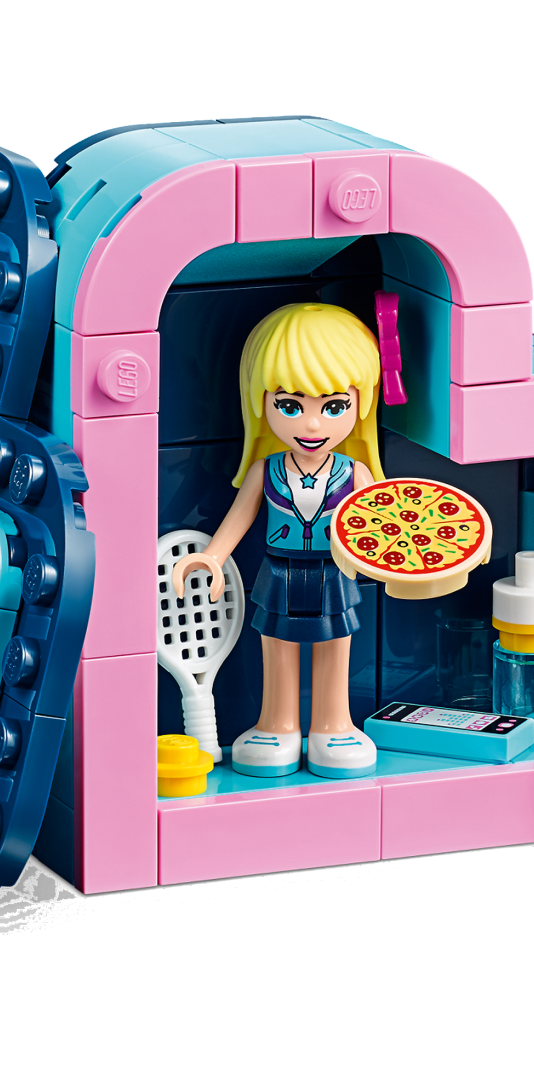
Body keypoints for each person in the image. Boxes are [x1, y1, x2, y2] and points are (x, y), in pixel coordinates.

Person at [171, 301, 382, 778]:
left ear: (362, 404)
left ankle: (334, 724)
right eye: (290, 406)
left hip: (334, 572)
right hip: (279, 572)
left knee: (336, 645)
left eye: (334, 407)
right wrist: (211, 557)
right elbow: (238, 519)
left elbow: (377, 526)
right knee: (277, 647)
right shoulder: (265, 471)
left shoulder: (356, 473)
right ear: (260, 402)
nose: (312, 425)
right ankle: (278, 724)